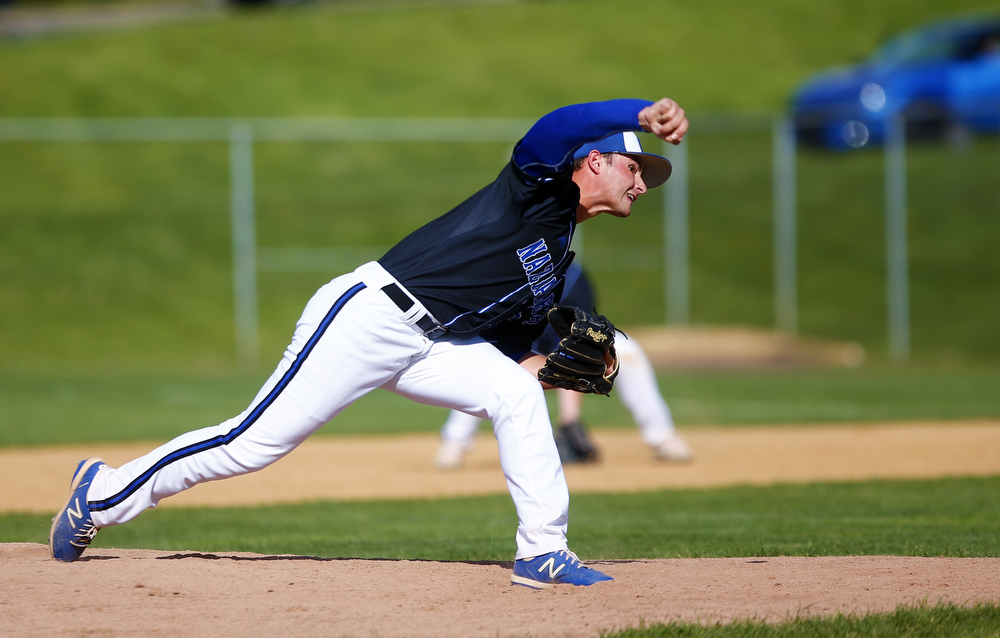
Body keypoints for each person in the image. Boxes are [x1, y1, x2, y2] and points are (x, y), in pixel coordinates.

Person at [49, 97, 689, 590]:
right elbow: (554, 125)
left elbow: (514, 349)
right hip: (371, 317)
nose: (642, 184)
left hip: (431, 344)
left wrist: (552, 364)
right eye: (635, 168)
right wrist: (638, 112)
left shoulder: (555, 258)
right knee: (252, 444)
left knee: (516, 395)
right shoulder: (537, 190)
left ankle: (543, 552)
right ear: (595, 161)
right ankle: (103, 491)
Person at [434, 263, 693, 469]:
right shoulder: (508, 278)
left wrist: (570, 419)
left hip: (559, 347)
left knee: (628, 350)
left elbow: (583, 354)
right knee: (490, 362)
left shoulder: (574, 280)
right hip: (517, 344)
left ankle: (662, 436)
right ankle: (455, 440)